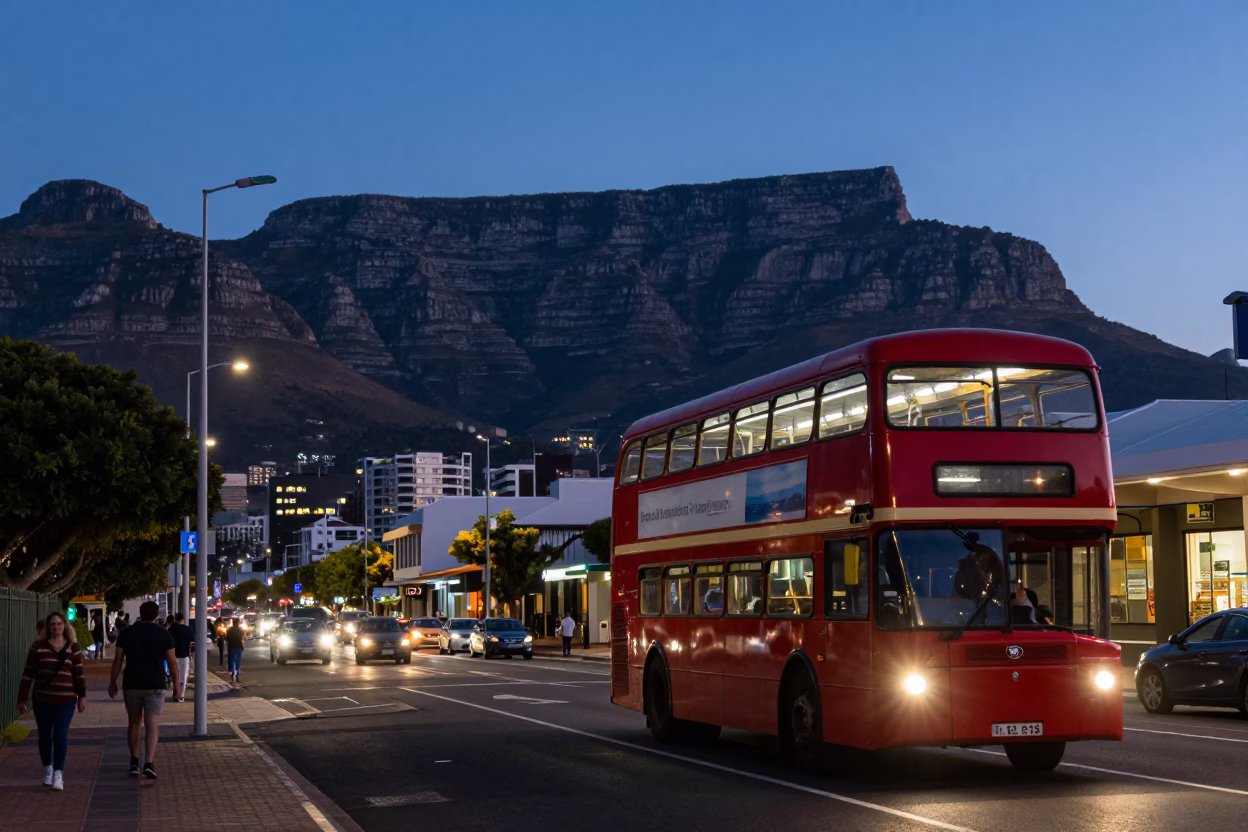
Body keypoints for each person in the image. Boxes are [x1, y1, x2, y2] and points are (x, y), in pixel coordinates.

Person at [16, 611, 87, 791]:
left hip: (65, 699)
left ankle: (58, 773)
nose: (56, 627)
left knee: (60, 733)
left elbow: (78, 674)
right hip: (42, 698)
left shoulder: (73, 647)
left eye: (59, 623)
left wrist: (82, 696)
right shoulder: (38, 647)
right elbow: (28, 674)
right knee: (45, 735)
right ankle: (47, 767)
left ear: (65, 625)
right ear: (48, 627)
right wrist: (22, 698)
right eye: (53, 624)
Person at [109, 600, 177, 780]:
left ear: (140, 613)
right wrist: (177, 687)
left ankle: (134, 761)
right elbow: (172, 662)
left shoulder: (127, 634)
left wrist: (112, 682)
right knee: (152, 725)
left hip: (132, 683)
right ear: (156, 615)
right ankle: (149, 763)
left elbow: (118, 660)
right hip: (155, 684)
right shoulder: (164, 634)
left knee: (134, 723)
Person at [168, 613, 194, 702]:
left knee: (175, 676)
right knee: (183, 677)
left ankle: (175, 694)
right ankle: (181, 696)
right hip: (184, 656)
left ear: (175, 619)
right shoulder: (188, 629)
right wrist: (190, 655)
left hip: (173, 656)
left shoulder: (171, 630)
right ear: (182, 619)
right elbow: (192, 643)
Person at [224, 618, 246, 683]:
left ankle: (232, 674)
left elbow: (226, 638)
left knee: (231, 660)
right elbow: (243, 638)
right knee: (237, 662)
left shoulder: (229, 630)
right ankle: (237, 677)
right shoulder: (240, 630)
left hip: (231, 647)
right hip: (239, 647)